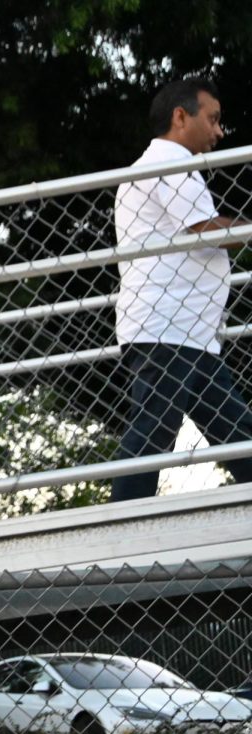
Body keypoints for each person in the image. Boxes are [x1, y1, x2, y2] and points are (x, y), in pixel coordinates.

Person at [111, 78, 252, 502]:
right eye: (212, 119)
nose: (219, 131)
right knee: (154, 429)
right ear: (180, 116)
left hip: (185, 331)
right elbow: (207, 231)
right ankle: (121, 526)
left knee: (233, 427)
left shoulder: (169, 164)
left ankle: (124, 521)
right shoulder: (169, 162)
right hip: (168, 329)